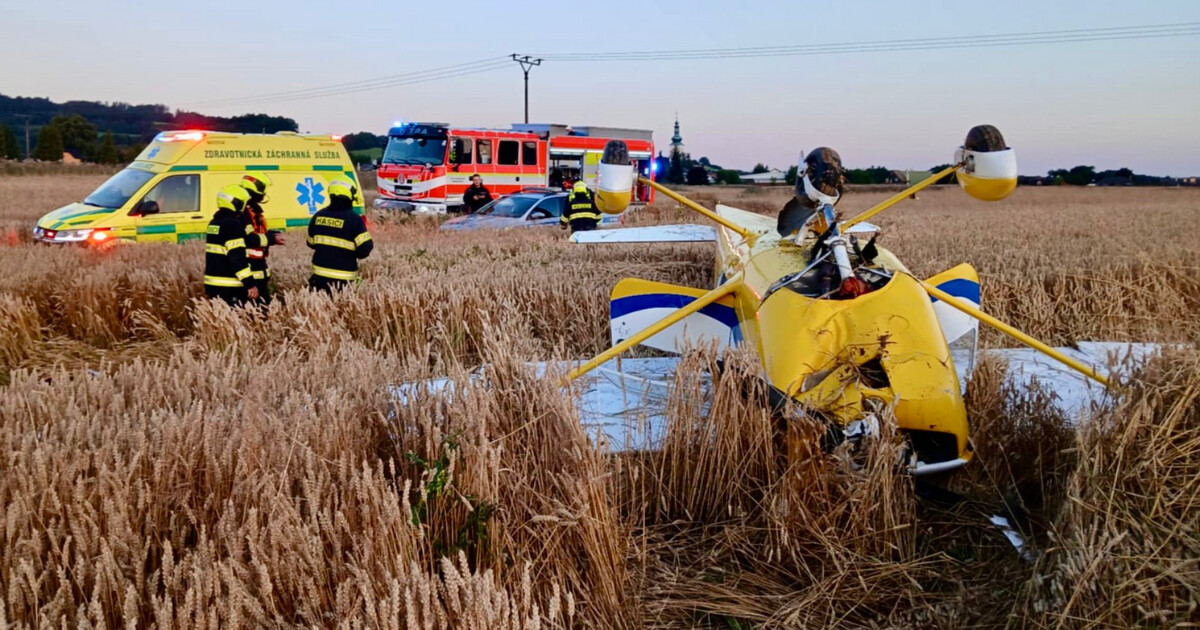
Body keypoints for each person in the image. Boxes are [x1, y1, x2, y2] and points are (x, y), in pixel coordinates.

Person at [307, 177, 373, 293]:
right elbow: (365, 248)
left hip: (319, 276)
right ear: (350, 196)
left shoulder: (318, 216)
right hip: (344, 279)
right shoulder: (354, 220)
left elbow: (311, 243)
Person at [204, 184, 257, 305]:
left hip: (212, 284)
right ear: (237, 203)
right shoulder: (233, 225)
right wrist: (250, 284)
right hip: (230, 286)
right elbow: (237, 257)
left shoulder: (214, 223)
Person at [240, 173, 284, 305]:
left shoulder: (253, 210)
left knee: (263, 306)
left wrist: (271, 234)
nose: (264, 194)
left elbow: (257, 232)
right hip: (250, 268)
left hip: (258, 268)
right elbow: (249, 238)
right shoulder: (244, 212)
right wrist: (271, 239)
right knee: (257, 307)